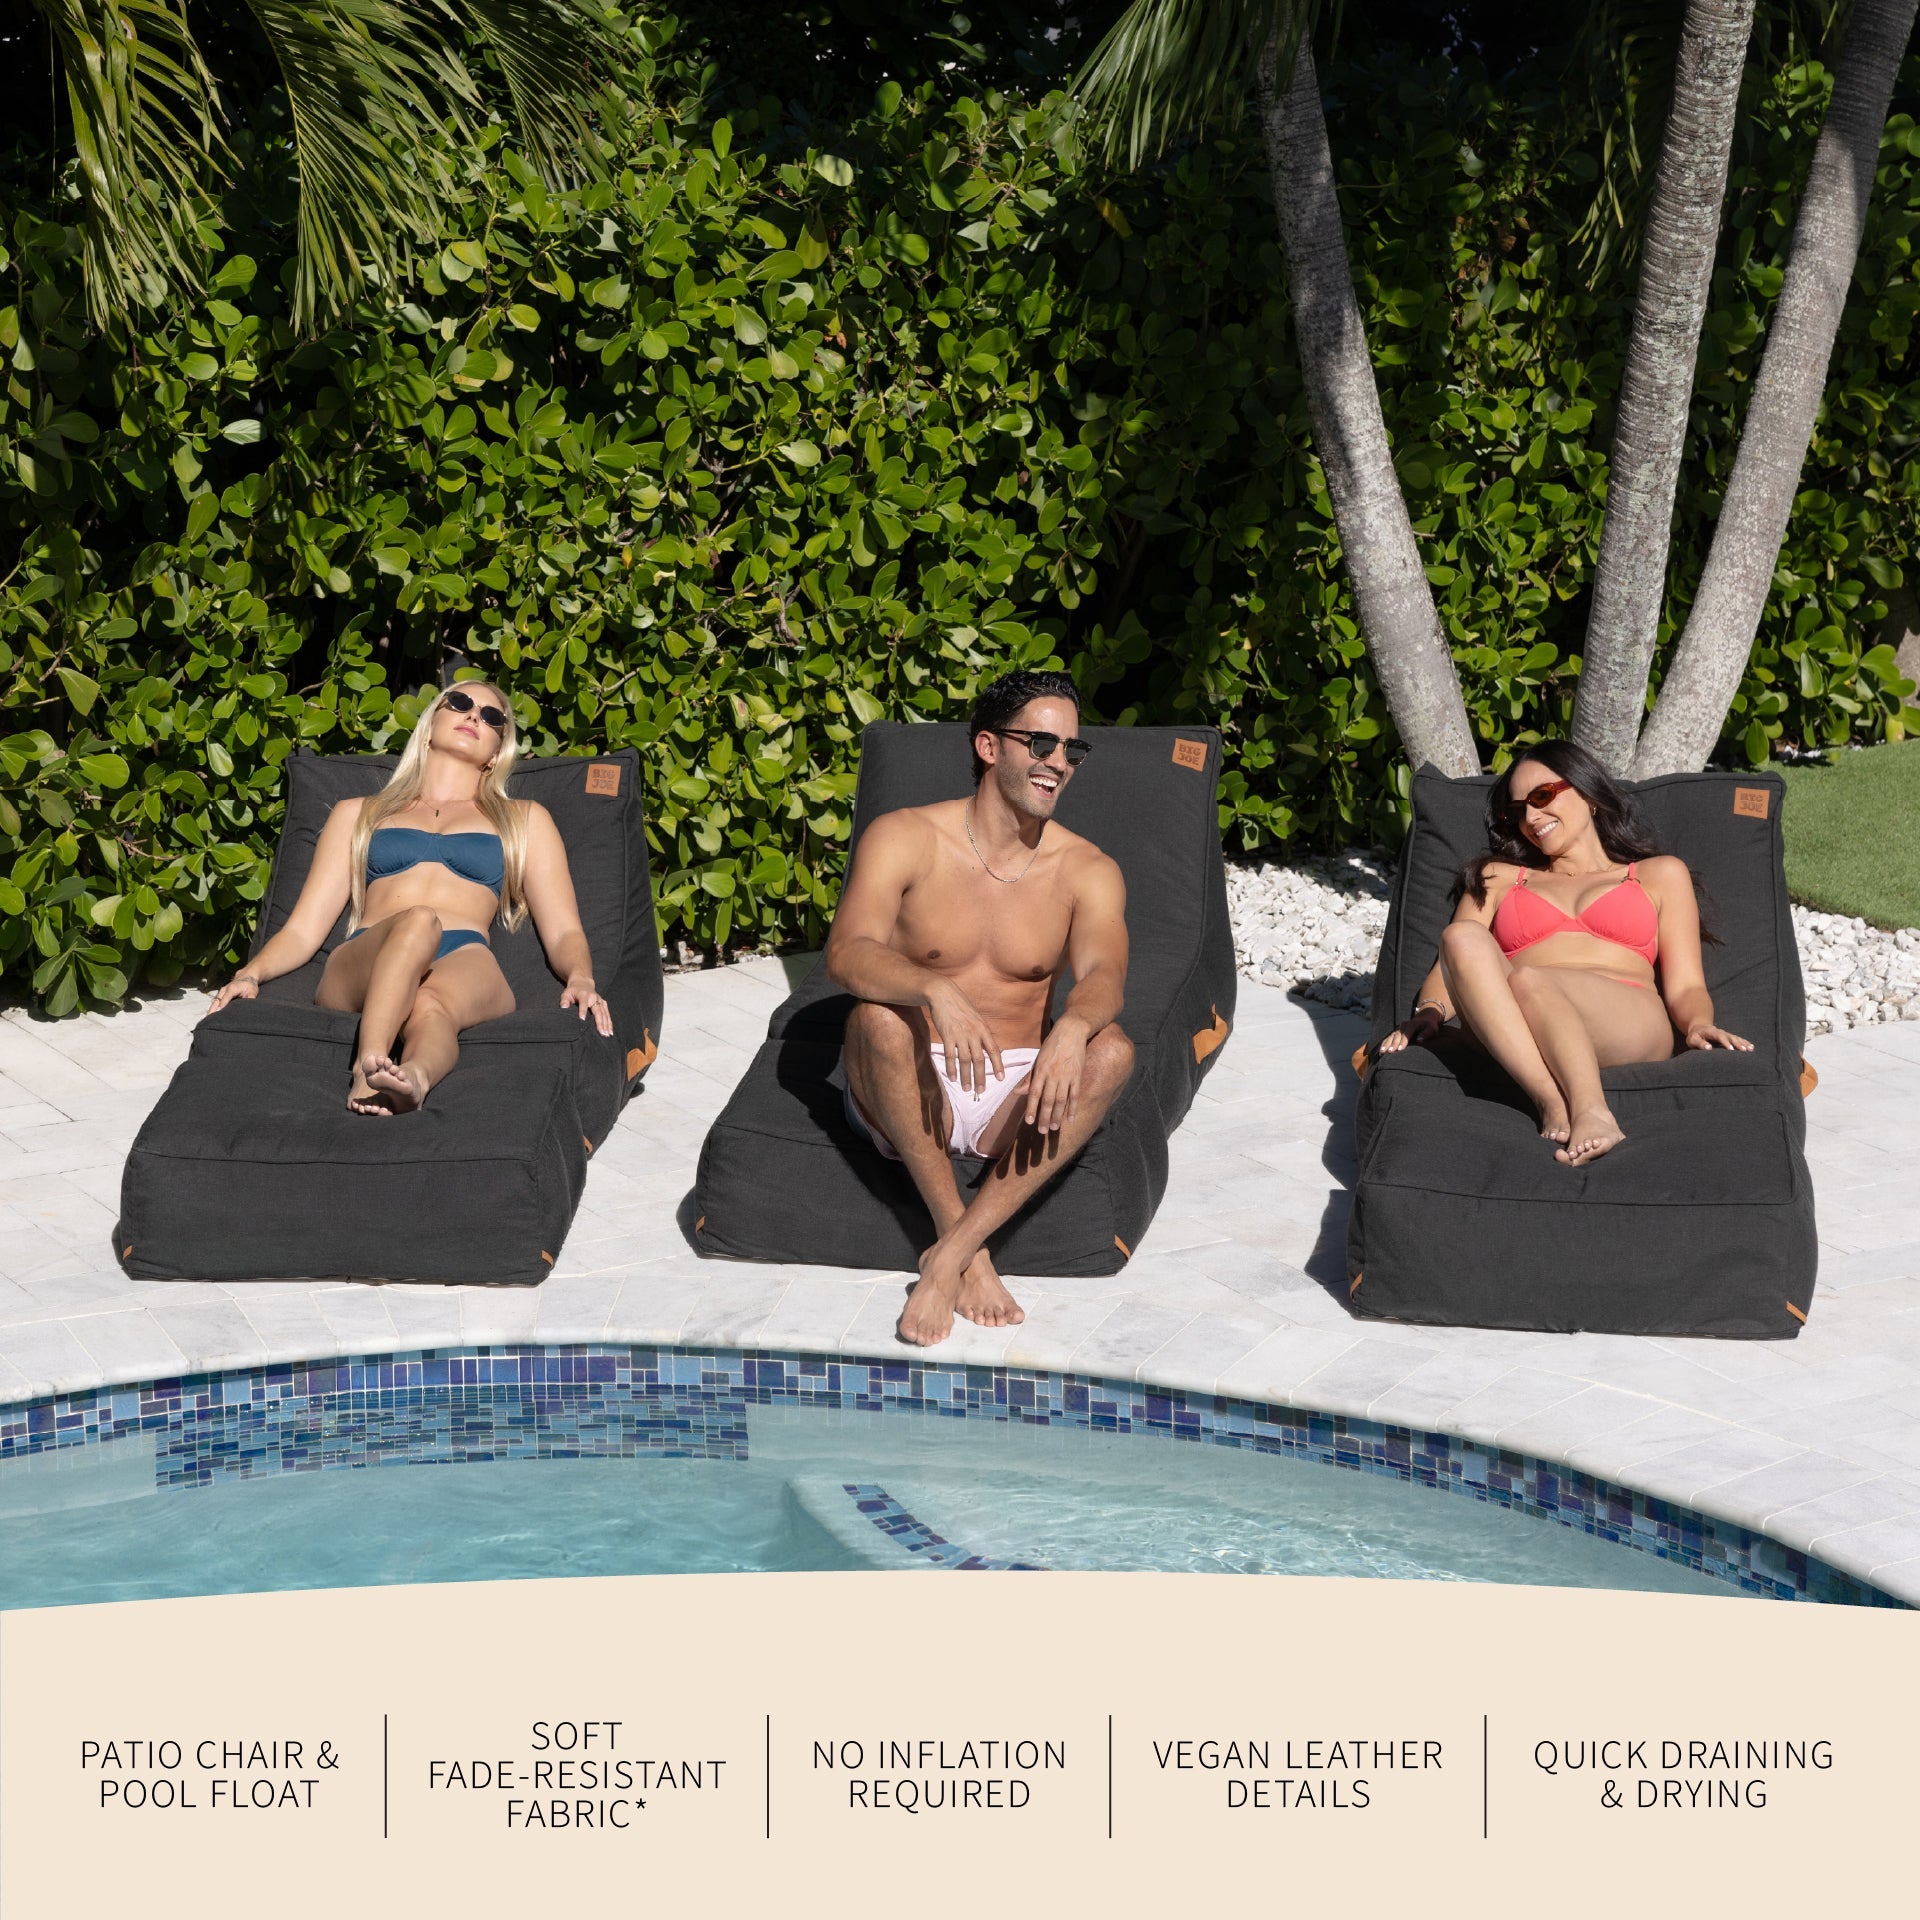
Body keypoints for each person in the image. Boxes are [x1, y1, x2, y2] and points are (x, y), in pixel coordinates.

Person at [826, 670, 1135, 1347]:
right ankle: (964, 1245)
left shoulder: (1087, 868)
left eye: (1072, 750)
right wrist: (934, 989)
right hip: (913, 1078)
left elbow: (1105, 975)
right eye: (1042, 744)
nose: (1059, 763)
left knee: (1113, 1050)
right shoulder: (906, 836)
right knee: (873, 1017)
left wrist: (1074, 1026)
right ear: (989, 747)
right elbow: (846, 952)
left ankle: (949, 1258)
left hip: (1013, 1093)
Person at [205, 681, 613, 1112]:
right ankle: (368, 1067)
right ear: (431, 723)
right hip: (370, 952)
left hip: (465, 955)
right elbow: (304, 929)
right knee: (419, 920)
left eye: (492, 717)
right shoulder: (359, 812)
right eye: (460, 702)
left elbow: (564, 928)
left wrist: (581, 978)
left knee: (432, 1006)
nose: (474, 715)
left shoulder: (524, 820)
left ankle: (415, 1078)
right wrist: (251, 974)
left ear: (496, 752)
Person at [1379, 739, 1751, 1166]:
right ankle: (1551, 1100)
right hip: (1518, 1020)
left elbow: (1686, 984)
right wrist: (1428, 1013)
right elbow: (1453, 966)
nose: (1531, 818)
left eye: (1541, 797)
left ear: (1588, 793)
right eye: (1518, 810)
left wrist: (1699, 1024)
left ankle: (1593, 1110)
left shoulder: (1659, 874)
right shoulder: (1500, 877)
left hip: (1625, 1018)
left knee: (1531, 979)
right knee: (1462, 936)